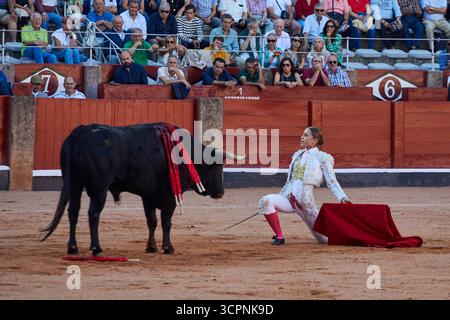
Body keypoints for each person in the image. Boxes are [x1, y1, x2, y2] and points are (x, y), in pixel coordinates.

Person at [258, 126, 351, 245]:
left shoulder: (323, 158)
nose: (302, 137)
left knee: (325, 239)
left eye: (306, 135)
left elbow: (331, 181)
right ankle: (280, 236)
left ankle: (346, 235)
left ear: (314, 140)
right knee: (266, 201)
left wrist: (342, 197)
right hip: (288, 197)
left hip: (305, 202)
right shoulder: (297, 155)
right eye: (302, 134)